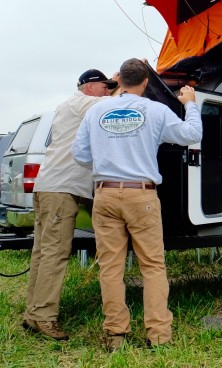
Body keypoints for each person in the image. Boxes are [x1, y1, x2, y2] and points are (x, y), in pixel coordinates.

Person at [72, 58, 202, 351]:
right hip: (141, 196)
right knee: (153, 266)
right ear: (145, 82)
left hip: (105, 195)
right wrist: (190, 103)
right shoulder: (156, 110)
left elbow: (79, 154)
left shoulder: (96, 112)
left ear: (119, 81)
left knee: (110, 267)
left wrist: (109, 159)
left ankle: (115, 334)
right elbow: (192, 135)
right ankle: (158, 336)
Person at [23, 69, 116, 340]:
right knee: (55, 253)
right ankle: (44, 317)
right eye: (105, 86)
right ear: (89, 88)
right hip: (61, 189)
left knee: (42, 253)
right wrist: (126, 82)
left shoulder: (70, 105)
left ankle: (34, 313)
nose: (108, 91)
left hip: (49, 186)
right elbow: (116, 105)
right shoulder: (83, 103)